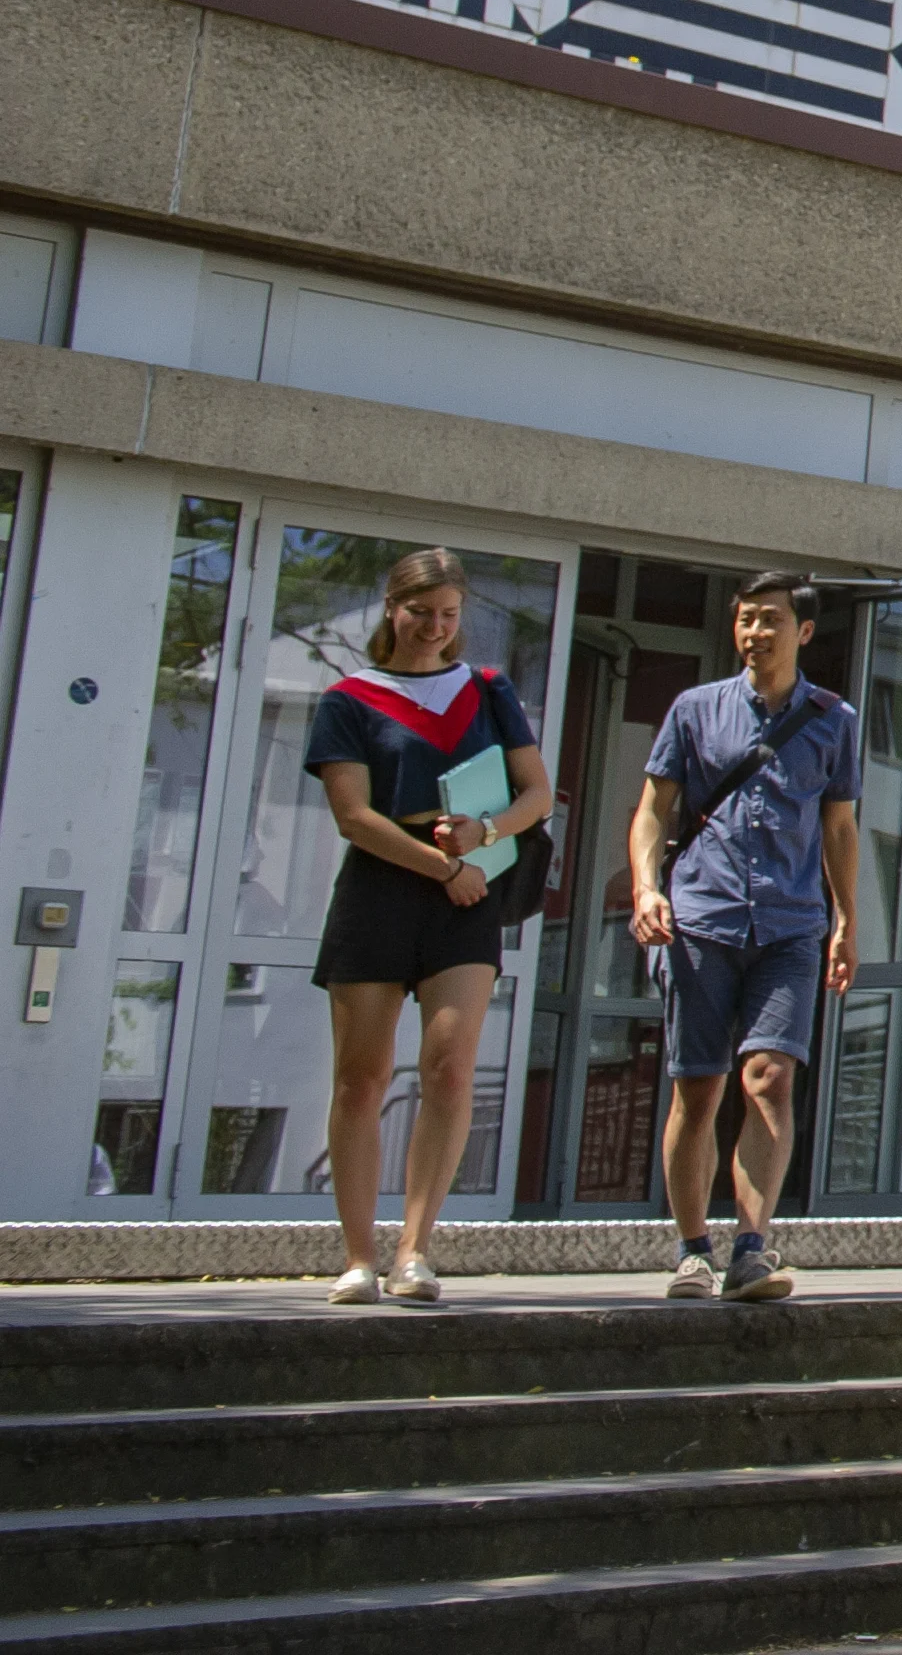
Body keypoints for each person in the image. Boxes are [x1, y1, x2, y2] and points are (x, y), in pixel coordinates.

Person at [307, 547, 554, 1305]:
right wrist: (444, 866)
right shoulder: (349, 698)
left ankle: (415, 1250)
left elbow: (536, 793)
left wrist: (484, 834)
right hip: (386, 887)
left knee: (450, 1068)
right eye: (421, 614)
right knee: (363, 1076)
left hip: (470, 889)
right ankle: (357, 1256)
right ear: (393, 607)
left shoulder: (487, 688)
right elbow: (354, 816)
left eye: (449, 617)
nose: (435, 630)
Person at [629, 570, 861, 1302]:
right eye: (746, 619)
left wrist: (847, 920)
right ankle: (693, 1250)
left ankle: (752, 1248)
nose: (755, 632)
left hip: (792, 926)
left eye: (770, 619)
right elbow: (651, 812)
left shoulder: (834, 719)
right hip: (701, 919)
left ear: (804, 632)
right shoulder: (694, 711)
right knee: (698, 1088)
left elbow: (839, 826)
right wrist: (644, 887)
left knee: (771, 1077)